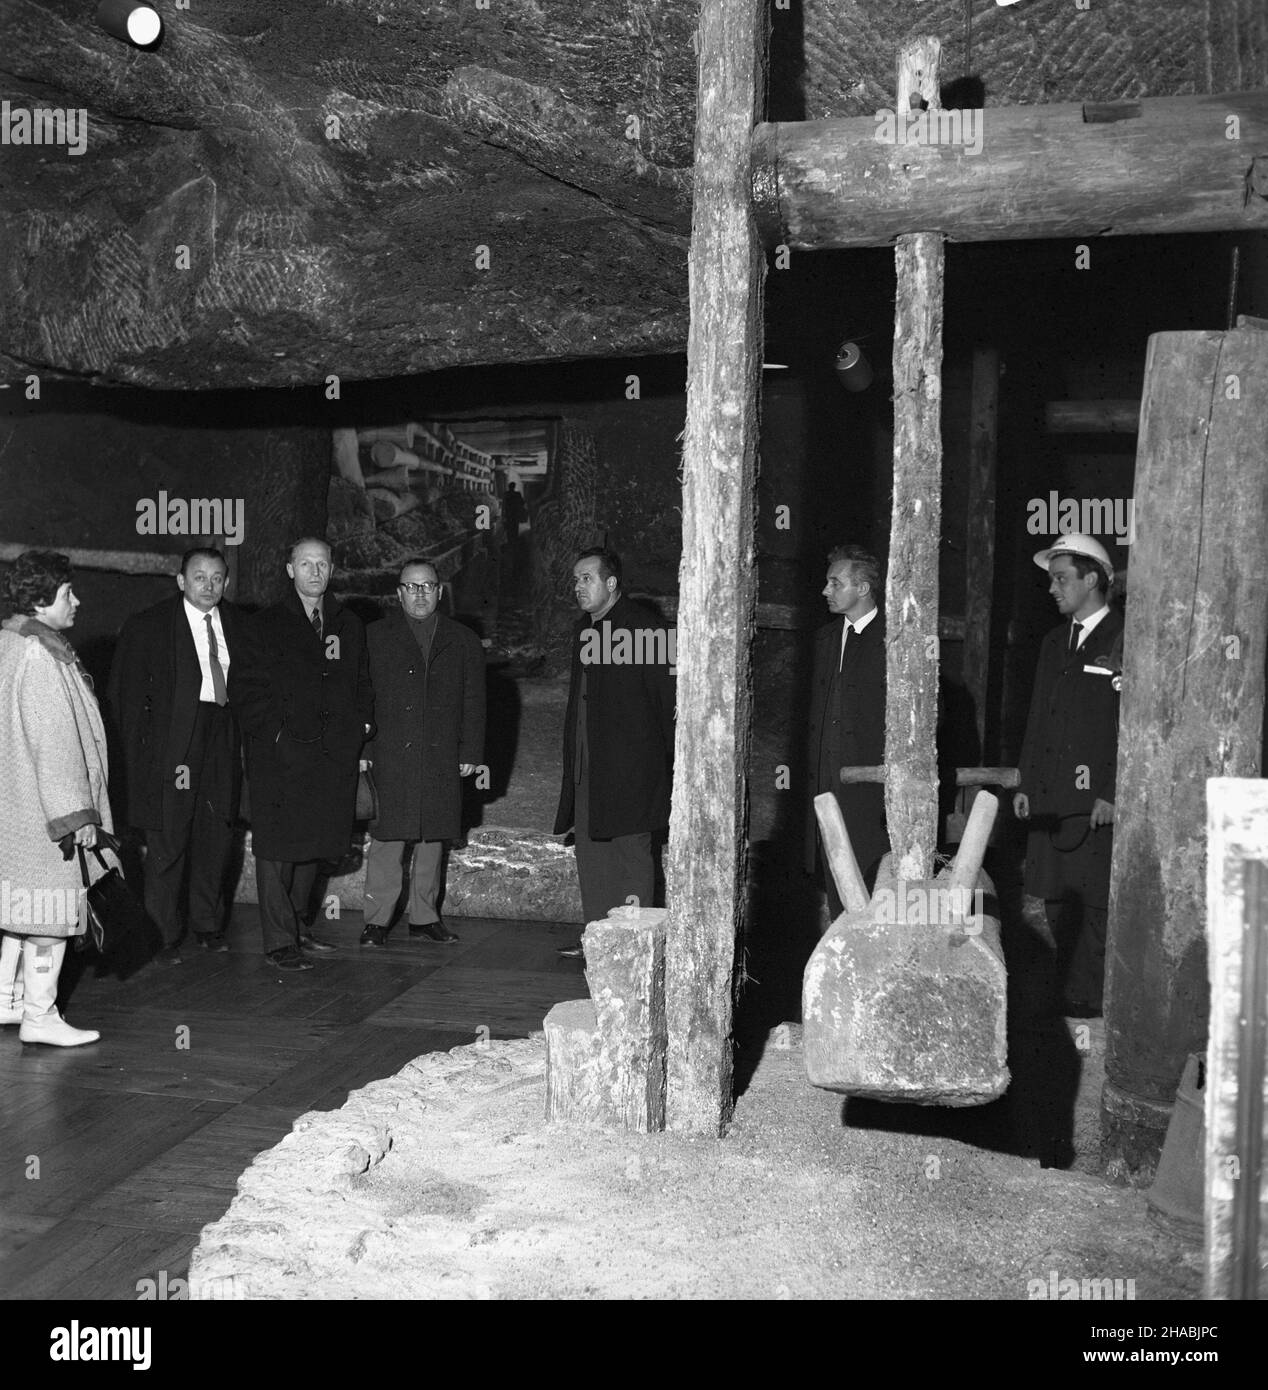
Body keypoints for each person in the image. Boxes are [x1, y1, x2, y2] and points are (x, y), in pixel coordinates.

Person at [228, 538, 374, 972]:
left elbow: (362, 682)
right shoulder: (265, 624)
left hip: (330, 756)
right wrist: (274, 735)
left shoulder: (348, 625)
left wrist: (361, 728)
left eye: (322, 564)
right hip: (280, 756)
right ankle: (278, 941)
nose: (314, 572)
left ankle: (299, 928)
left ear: (332, 570)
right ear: (290, 569)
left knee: (314, 842)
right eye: (305, 564)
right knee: (276, 849)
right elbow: (247, 689)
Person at [107, 547, 243, 963]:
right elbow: (124, 699)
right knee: (168, 841)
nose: (209, 586)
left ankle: (207, 923)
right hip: (173, 746)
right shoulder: (149, 625)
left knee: (215, 833)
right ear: (181, 580)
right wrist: (139, 762)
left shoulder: (238, 623)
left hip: (221, 737)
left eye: (217, 578)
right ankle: (161, 933)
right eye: (199, 577)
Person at [0, 550, 108, 1045]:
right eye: (68, 593)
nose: (78, 601)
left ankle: (7, 999)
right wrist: (75, 815)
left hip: (14, 808)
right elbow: (54, 742)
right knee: (47, 915)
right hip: (44, 813)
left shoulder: (9, 641)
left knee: (16, 911)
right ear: (42, 599)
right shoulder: (42, 655)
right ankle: (40, 1017)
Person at [1013, 533, 1123, 1018]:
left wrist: (1114, 792)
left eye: (1062, 579)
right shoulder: (1054, 642)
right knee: (1055, 899)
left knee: (1095, 904)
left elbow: (1134, 727)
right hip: (1053, 797)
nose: (1053, 589)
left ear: (1092, 578)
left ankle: (1088, 1004)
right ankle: (1066, 996)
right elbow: (1037, 717)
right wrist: (1026, 784)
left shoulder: (1125, 639)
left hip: (1096, 803)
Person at [553, 547, 675, 958]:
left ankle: (635, 944)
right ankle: (597, 939)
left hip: (633, 767)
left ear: (611, 583)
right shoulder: (584, 630)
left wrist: (670, 769)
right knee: (591, 849)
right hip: (589, 764)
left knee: (631, 852)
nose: (578, 587)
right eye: (575, 580)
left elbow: (669, 703)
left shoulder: (648, 631)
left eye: (586, 578)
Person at [360, 560, 485, 946]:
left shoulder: (463, 639)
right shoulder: (373, 637)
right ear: (398, 593)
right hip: (389, 751)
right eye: (411, 587)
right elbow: (360, 699)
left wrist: (471, 751)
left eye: (427, 586)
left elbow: (474, 700)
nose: (420, 594)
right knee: (387, 838)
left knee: (434, 837)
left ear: (440, 592)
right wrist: (362, 748)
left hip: (440, 753)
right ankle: (376, 920)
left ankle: (424, 917)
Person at [807, 544, 889, 915]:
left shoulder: (893, 640)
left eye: (834, 583)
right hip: (826, 784)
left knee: (873, 884)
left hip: (872, 794)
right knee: (835, 882)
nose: (825, 591)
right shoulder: (825, 639)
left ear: (863, 589)